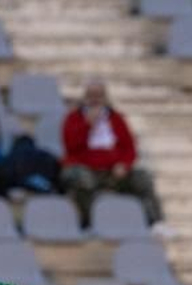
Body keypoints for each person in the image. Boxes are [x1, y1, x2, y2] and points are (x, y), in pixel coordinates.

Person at [60, 80, 166, 233]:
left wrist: (124, 164)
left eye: (99, 95)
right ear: (85, 97)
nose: (95, 99)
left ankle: (156, 222)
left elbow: (130, 148)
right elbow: (70, 147)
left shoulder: (116, 118)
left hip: (113, 170)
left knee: (143, 178)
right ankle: (89, 223)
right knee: (81, 180)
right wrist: (88, 125)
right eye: (91, 95)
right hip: (86, 168)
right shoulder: (73, 119)